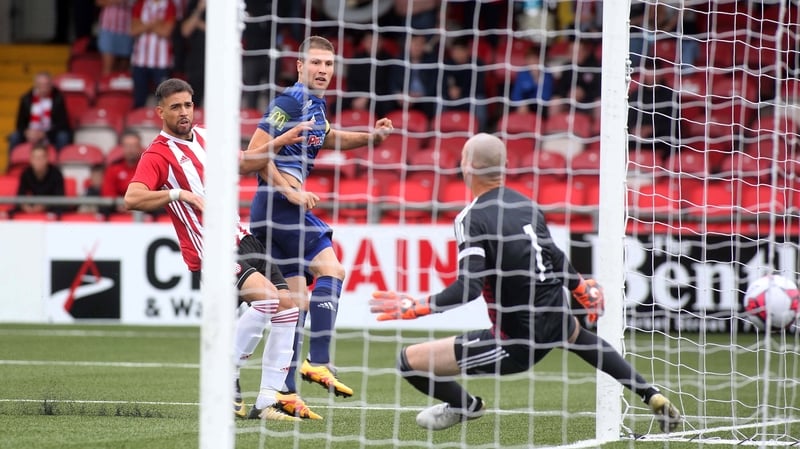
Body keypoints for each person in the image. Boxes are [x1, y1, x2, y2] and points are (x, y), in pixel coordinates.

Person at [368, 133, 683, 432]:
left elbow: (469, 288)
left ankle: (467, 405)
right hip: (554, 311)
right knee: (583, 339)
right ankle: (650, 393)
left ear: (466, 166)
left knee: (408, 361)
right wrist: (580, 288)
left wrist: (417, 307)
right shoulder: (527, 205)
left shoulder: (471, 218)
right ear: (505, 167)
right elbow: (555, 256)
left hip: (514, 342)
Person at [124, 78, 321, 421]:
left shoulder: (206, 136)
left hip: (241, 238)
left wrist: (283, 140)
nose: (184, 112)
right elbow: (133, 197)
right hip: (210, 249)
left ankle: (267, 400)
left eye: (187, 105)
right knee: (269, 299)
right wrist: (179, 194)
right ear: (161, 112)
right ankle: (223, 373)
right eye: (175, 107)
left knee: (289, 306)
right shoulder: (158, 154)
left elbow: (245, 163)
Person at [247, 36, 393, 402]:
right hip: (280, 205)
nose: (323, 70)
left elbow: (332, 139)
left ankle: (285, 392)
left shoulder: (315, 106)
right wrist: (290, 191)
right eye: (315, 63)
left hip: (272, 209)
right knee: (333, 270)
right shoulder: (289, 101)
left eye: (328, 65)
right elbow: (253, 153)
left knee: (295, 305)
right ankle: (319, 360)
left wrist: (372, 138)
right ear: (300, 66)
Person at [8, 72, 72, 153]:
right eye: (41, 85)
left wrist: (44, 134)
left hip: (50, 134)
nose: (44, 88)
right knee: (14, 137)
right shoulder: (26, 99)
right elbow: (19, 124)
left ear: (51, 85)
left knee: (63, 136)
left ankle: (60, 164)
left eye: (46, 85)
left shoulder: (58, 99)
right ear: (35, 85)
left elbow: (62, 124)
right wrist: (27, 132)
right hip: (31, 133)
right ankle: (12, 164)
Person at [130, 0, 176, 109]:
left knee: (163, 100)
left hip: (162, 61)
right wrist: (156, 24)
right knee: (139, 99)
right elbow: (133, 30)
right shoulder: (140, 4)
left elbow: (166, 32)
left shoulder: (169, 5)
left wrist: (144, 25)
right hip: (140, 60)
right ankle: (138, 122)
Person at [13, 142, 65, 216]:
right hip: (32, 206)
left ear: (47, 158)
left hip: (52, 208)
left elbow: (60, 198)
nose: (38, 161)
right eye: (35, 158)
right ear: (30, 159)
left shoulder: (56, 174)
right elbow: (20, 196)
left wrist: (45, 206)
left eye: (41, 158)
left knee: (59, 211)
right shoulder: (26, 173)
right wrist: (24, 206)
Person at [102, 129, 144, 214]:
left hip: (143, 208)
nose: (131, 150)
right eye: (128, 146)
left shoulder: (148, 167)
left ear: (140, 147)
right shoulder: (114, 168)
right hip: (117, 208)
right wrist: (124, 207)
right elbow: (108, 194)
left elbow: (152, 193)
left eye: (134, 146)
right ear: (122, 148)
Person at [510, 46, 554, 116]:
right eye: (530, 59)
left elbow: (546, 97)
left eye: (536, 59)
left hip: (541, 107)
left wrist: (537, 79)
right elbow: (516, 94)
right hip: (524, 106)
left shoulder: (547, 74)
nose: (533, 62)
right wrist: (522, 104)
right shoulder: (522, 73)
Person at [96, 0, 135, 76]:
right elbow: (99, 2)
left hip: (127, 29)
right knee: (108, 69)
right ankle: (106, 87)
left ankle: (119, 88)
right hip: (108, 28)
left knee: (123, 71)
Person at [179, 0, 205, 107]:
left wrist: (198, 23)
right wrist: (199, 9)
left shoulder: (224, 6)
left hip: (217, 62)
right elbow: (185, 30)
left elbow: (221, 32)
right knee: (193, 104)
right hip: (196, 62)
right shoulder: (194, 4)